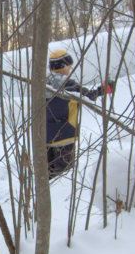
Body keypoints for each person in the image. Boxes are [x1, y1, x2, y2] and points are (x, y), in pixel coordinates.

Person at [45, 49, 113, 177]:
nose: (70, 69)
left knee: (48, 173)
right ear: (64, 66)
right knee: (64, 175)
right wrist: (104, 89)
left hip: (45, 135)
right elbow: (89, 96)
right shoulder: (69, 84)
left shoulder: (43, 83)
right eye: (69, 66)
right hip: (65, 134)